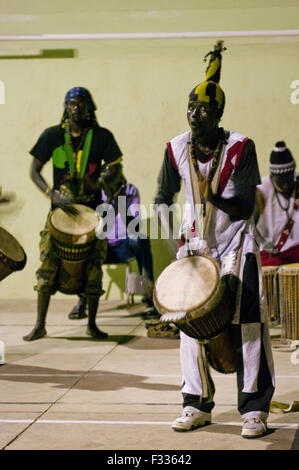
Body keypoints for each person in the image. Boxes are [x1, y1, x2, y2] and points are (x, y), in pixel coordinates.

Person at [154, 42, 275, 438]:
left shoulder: (241, 147)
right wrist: (174, 235)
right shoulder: (175, 148)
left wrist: (212, 197)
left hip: (237, 243)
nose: (194, 113)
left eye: (203, 108)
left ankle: (254, 409)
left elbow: (243, 206)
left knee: (249, 322)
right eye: (190, 106)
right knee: (188, 326)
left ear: (219, 113)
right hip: (194, 247)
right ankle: (195, 404)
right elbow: (161, 198)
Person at [23, 86, 123, 341]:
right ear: (65, 107)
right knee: (47, 264)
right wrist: (50, 193)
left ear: (90, 107)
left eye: (81, 104)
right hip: (59, 214)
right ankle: (39, 324)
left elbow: (116, 172)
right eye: (72, 104)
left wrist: (108, 181)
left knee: (94, 268)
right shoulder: (52, 135)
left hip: (92, 214)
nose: (76, 108)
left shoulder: (102, 137)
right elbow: (34, 170)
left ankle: (91, 325)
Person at [69, 165, 157, 319]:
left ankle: (150, 296)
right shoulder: (95, 192)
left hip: (124, 246)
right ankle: (82, 301)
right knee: (82, 244)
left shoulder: (131, 191)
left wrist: (119, 200)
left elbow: (134, 227)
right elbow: (94, 225)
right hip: (102, 247)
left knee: (140, 239)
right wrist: (108, 200)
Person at [255, 141, 299, 266]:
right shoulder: (260, 190)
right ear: (272, 175)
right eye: (281, 180)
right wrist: (263, 241)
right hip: (271, 251)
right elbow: (249, 222)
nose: (285, 184)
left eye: (288, 177)